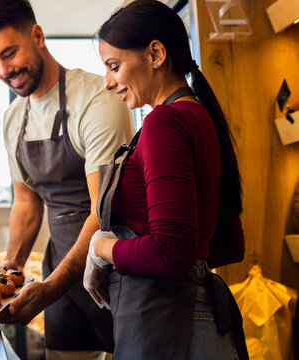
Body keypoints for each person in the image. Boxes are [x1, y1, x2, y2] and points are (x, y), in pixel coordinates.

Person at [0, 1, 134, 359]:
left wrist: (51, 287)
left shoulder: (96, 100)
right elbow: (27, 201)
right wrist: (12, 264)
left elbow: (102, 212)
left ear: (38, 36)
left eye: (9, 54)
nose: (2, 70)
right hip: (61, 273)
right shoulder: (13, 119)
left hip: (116, 275)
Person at [83, 0, 248, 359]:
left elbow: (171, 251)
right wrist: (193, 264)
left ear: (155, 53)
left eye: (114, 66)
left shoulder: (163, 122)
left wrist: (102, 249)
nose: (109, 82)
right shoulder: (202, 117)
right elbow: (228, 243)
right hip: (201, 321)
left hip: (175, 326)